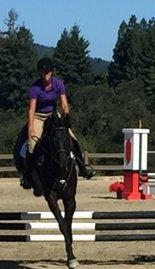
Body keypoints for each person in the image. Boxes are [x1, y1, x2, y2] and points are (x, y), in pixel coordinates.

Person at [22, 57, 93, 189]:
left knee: (72, 138)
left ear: (51, 72)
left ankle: (83, 167)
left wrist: (66, 116)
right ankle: (27, 175)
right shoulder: (35, 88)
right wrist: (31, 128)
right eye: (43, 72)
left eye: (47, 72)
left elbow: (64, 103)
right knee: (32, 145)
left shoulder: (59, 84)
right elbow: (31, 110)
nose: (45, 75)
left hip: (53, 115)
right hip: (38, 116)